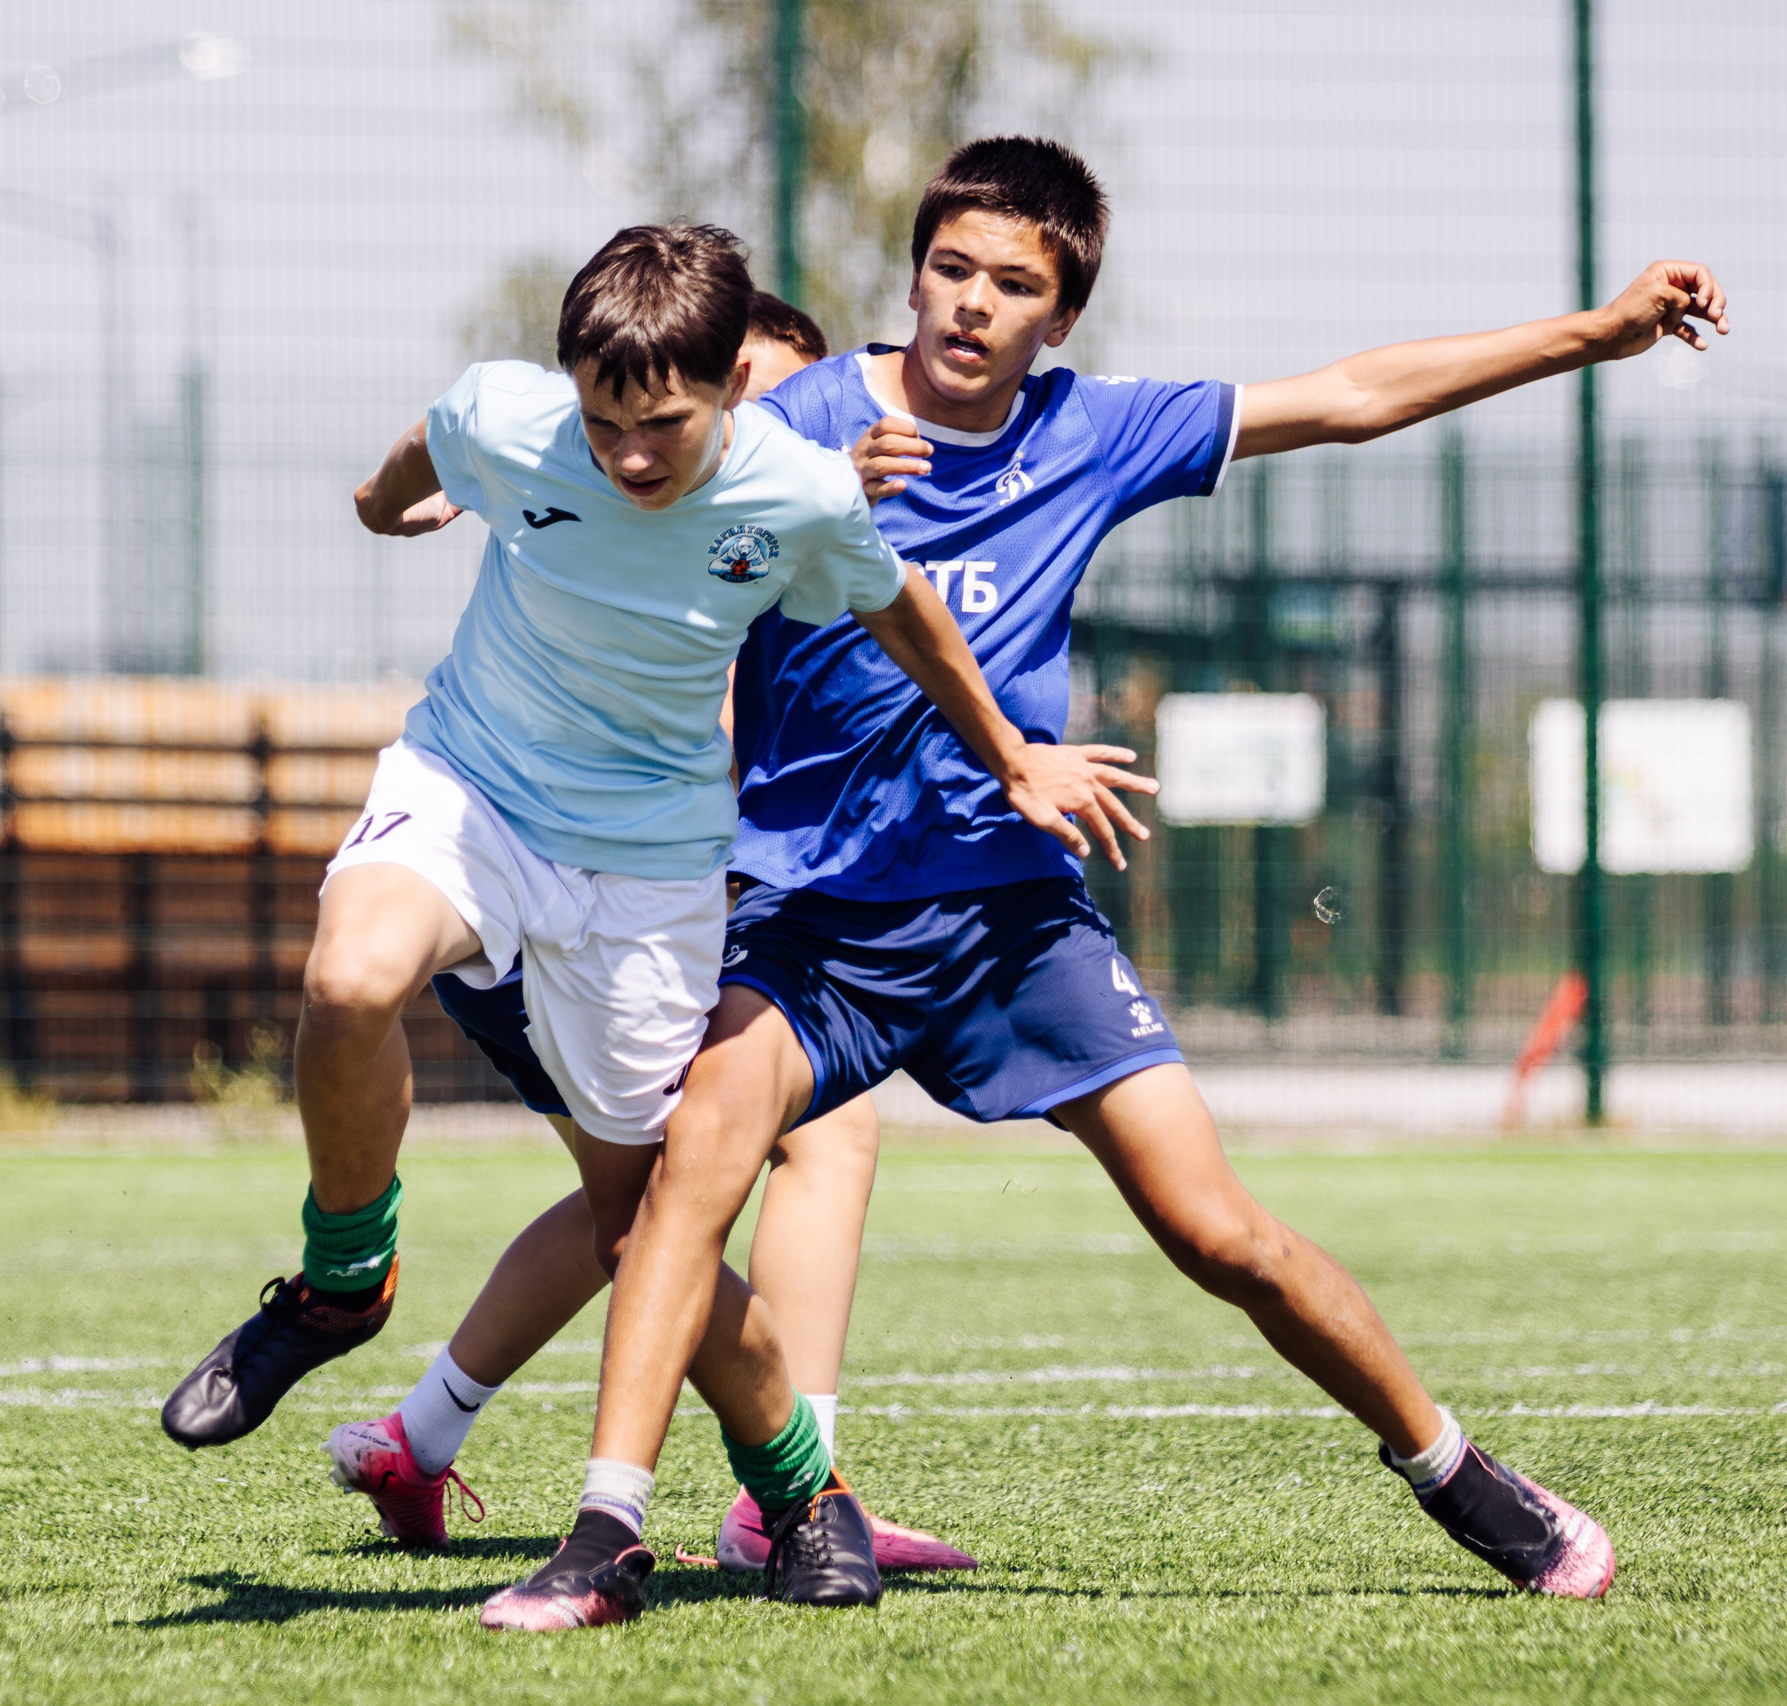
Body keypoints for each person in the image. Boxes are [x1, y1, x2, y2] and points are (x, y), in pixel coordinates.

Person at [484, 135, 1728, 1628]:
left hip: (1014, 920)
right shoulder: (795, 416)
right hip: (809, 918)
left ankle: (1466, 1475)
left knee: (1219, 1232)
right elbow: (629, 473)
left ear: (1060, 317)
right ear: (917, 270)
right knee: (686, 1174)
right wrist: (495, 484)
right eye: (952, 268)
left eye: (1015, 285)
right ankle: (608, 1534)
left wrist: (1596, 331)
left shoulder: (1096, 432)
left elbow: (1346, 398)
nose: (972, 305)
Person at [160, 224, 1146, 1605]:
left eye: (663, 427)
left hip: (645, 868)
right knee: (348, 978)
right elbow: (405, 471)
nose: (628, 454)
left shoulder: (797, 490)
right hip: (472, 788)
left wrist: (1012, 755)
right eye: (605, 419)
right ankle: (342, 1278)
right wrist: (401, 507)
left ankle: (805, 1485)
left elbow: (906, 610)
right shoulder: (505, 416)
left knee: (645, 1229)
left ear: (732, 387)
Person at [324, 291, 974, 1578]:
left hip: (639, 876)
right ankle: (782, 1484)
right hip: (578, 877)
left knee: (645, 1192)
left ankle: (423, 1433)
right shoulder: (685, 511)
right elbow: (690, 693)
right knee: (740, 1159)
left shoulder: (771, 505)